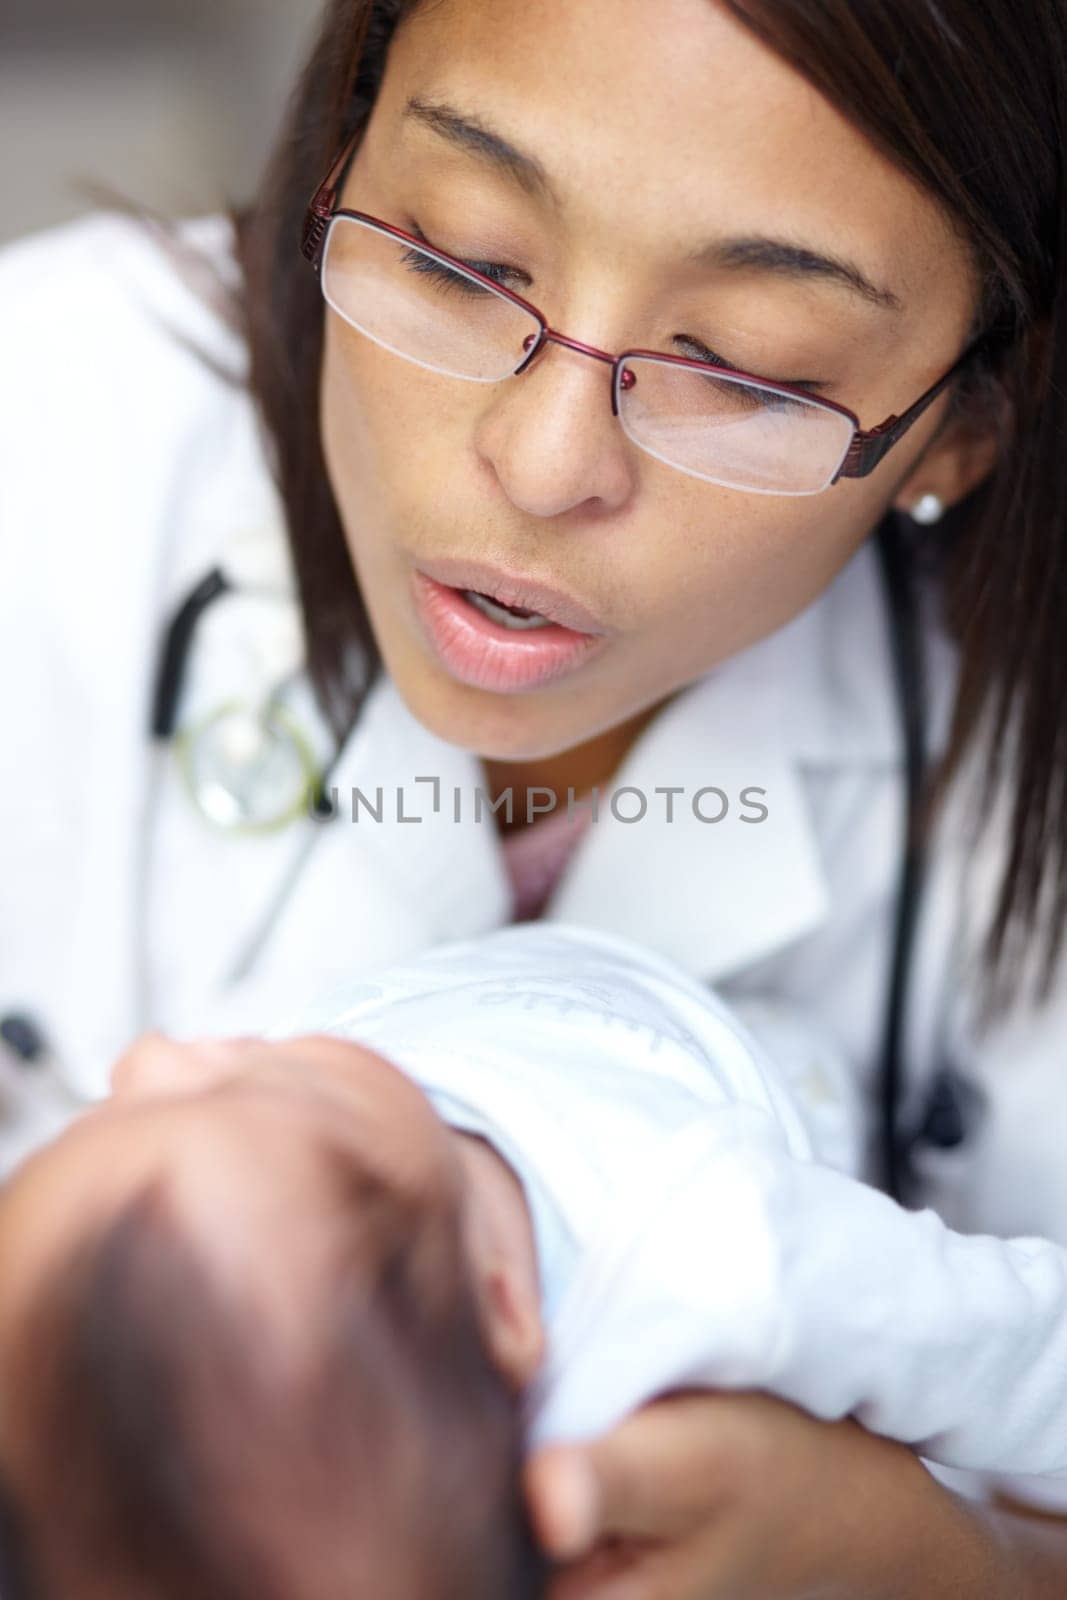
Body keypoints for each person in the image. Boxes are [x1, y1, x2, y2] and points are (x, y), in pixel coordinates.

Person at [2, 0, 1066, 1592]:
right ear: (337, 157)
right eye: (458, 259)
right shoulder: (51, 420)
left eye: (742, 370)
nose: (542, 454)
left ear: (957, 427)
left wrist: (948, 1562)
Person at [5, 919, 1067, 1600]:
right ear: (506, 1302)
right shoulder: (719, 1251)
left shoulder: (302, 1234)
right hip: (785, 1086)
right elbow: (998, 1346)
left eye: (95, 1119)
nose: (150, 1054)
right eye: (244, 1091)